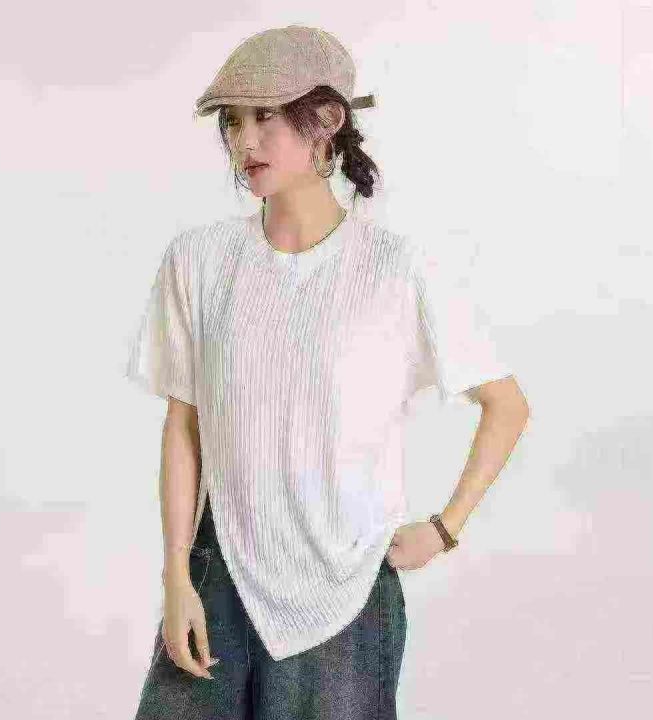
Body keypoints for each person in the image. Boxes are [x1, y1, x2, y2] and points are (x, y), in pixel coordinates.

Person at [124, 24, 529, 720]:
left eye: (265, 117)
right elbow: (183, 427)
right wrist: (176, 577)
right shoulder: (198, 261)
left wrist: (445, 528)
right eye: (232, 122)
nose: (244, 141)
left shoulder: (396, 269)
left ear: (327, 123)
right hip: (218, 575)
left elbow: (507, 405)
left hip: (347, 595)